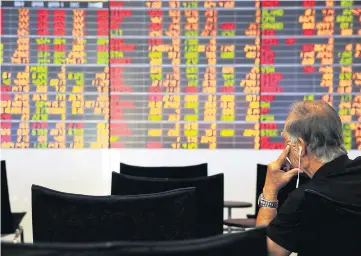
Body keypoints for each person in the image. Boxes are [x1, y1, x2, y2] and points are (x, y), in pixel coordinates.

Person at [256, 100, 361, 255]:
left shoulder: (305, 198)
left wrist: (269, 192)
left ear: (300, 146)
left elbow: (265, 252)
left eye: (286, 141)